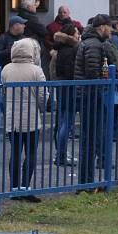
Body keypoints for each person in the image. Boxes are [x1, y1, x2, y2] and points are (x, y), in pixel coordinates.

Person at [74, 13, 118, 184]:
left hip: (91, 95)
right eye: (110, 26)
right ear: (102, 27)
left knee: (91, 138)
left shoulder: (95, 43)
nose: (112, 30)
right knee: (90, 139)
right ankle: (86, 181)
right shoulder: (94, 45)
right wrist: (104, 82)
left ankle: (87, 180)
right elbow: (92, 73)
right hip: (91, 96)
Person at [2, 38, 46, 191]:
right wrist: (42, 107)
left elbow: (2, 92)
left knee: (14, 152)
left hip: (11, 118)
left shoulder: (6, 69)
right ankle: (25, 185)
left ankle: (14, 186)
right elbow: (42, 95)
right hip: (31, 118)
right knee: (31, 153)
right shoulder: (36, 70)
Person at [50, 23, 79, 167]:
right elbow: (70, 71)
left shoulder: (60, 49)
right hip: (69, 88)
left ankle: (60, 154)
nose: (78, 34)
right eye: (76, 32)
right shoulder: (70, 50)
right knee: (66, 123)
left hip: (63, 87)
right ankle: (61, 155)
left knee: (62, 122)